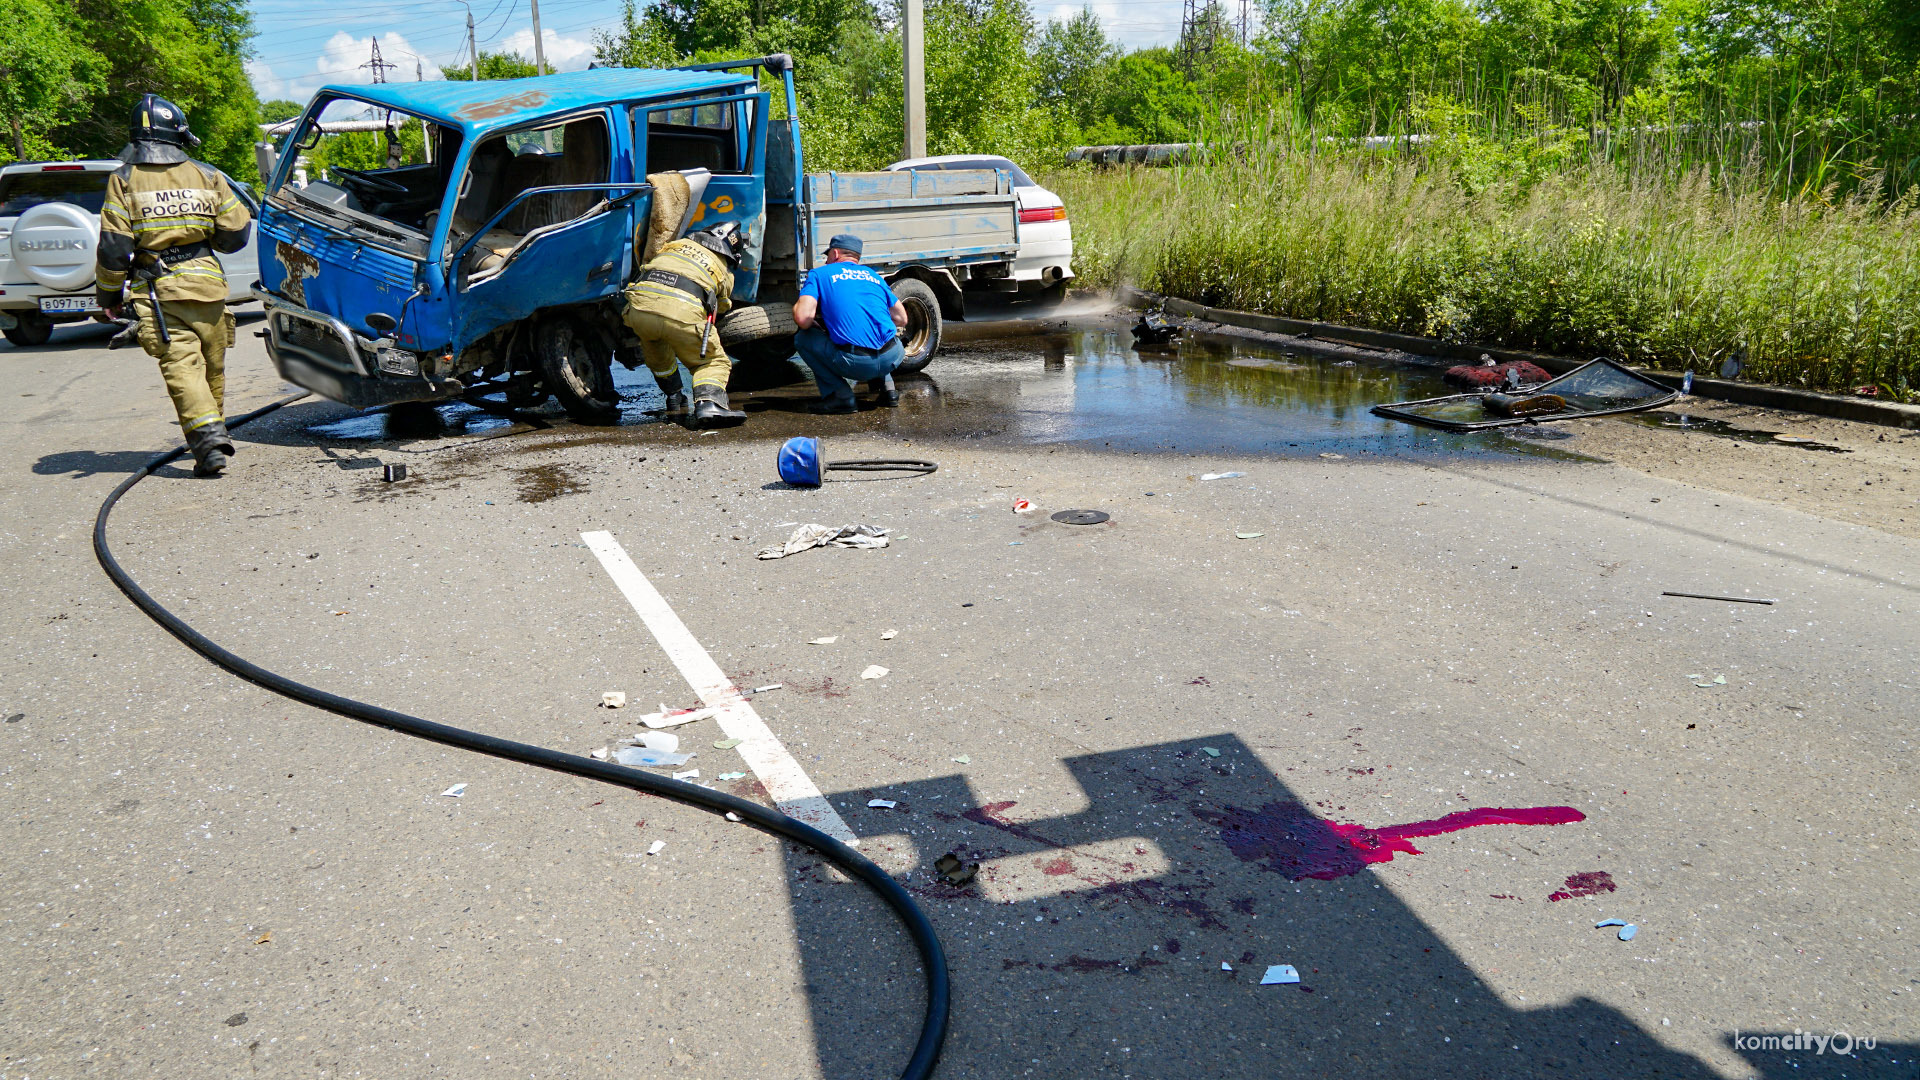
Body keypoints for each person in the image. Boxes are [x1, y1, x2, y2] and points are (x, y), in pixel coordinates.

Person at [94, 95, 252, 477]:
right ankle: (212, 437)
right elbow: (236, 232)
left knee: (182, 367)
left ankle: (209, 439)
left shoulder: (124, 179)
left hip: (158, 291)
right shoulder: (207, 175)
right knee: (212, 367)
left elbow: (115, 247)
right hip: (208, 285)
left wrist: (109, 294)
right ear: (178, 135)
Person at [622, 221, 748, 428]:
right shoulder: (722, 269)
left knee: (658, 353)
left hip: (639, 311)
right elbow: (722, 306)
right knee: (712, 361)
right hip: (681, 313)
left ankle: (674, 395)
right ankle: (710, 404)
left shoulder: (674, 247)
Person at [791, 234, 906, 414]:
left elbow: (803, 318)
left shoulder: (820, 274)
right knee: (877, 331)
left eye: (827, 256)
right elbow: (901, 318)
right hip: (893, 357)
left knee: (803, 339)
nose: (827, 261)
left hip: (855, 363)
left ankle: (841, 397)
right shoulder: (873, 275)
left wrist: (799, 308)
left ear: (835, 253)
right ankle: (889, 390)